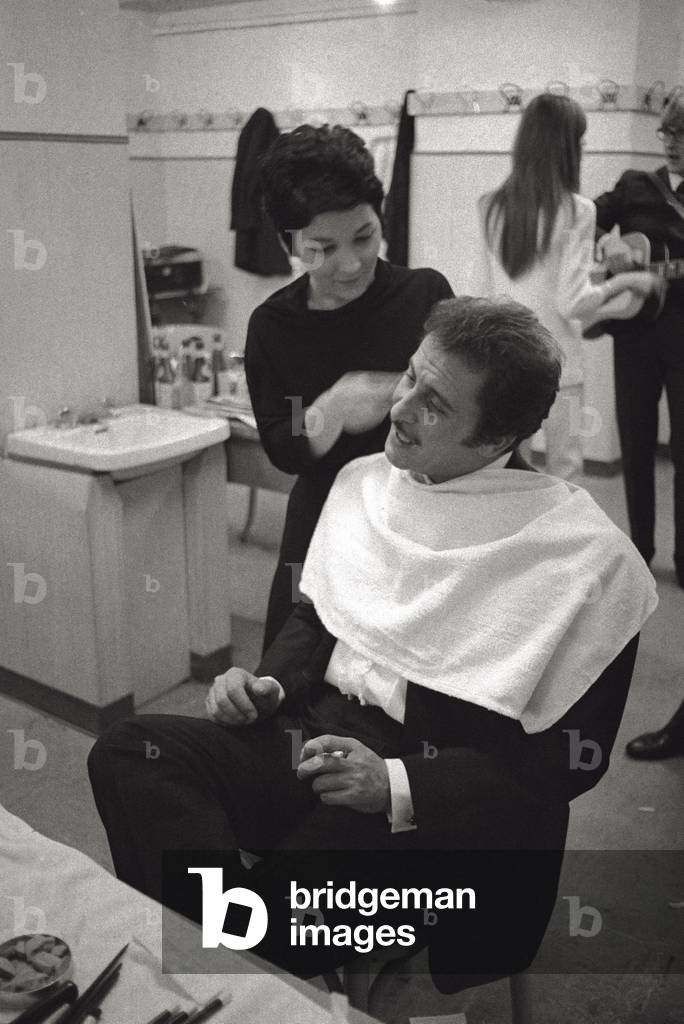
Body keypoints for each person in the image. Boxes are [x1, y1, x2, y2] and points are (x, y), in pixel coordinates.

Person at [89, 297, 657, 990]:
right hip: (315, 739)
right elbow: (321, 617)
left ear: (496, 438)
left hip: (434, 803)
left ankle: (229, 959)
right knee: (128, 754)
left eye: (434, 404)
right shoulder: (363, 483)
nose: (400, 406)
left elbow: (565, 764)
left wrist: (394, 785)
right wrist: (269, 684)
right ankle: (236, 957)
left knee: (267, 910)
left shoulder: (586, 563)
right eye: (410, 376)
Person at [244, 124, 453, 652]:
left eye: (364, 236)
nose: (351, 264)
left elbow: (469, 403)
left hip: (419, 509)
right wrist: (332, 409)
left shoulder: (424, 295)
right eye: (321, 249)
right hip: (325, 518)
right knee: (293, 661)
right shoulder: (274, 326)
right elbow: (282, 446)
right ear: (287, 243)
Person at [472, 92, 659, 480]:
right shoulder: (577, 210)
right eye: (580, 140)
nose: (584, 148)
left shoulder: (489, 205)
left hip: (506, 360)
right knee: (565, 472)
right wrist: (626, 282)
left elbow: (482, 294)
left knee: (509, 472)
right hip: (561, 366)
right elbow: (573, 302)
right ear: (566, 147)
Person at [593, 88, 684, 587]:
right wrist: (607, 247)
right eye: (667, 132)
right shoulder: (635, 186)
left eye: (682, 134)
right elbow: (581, 221)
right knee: (635, 443)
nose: (671, 143)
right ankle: (639, 552)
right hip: (635, 335)